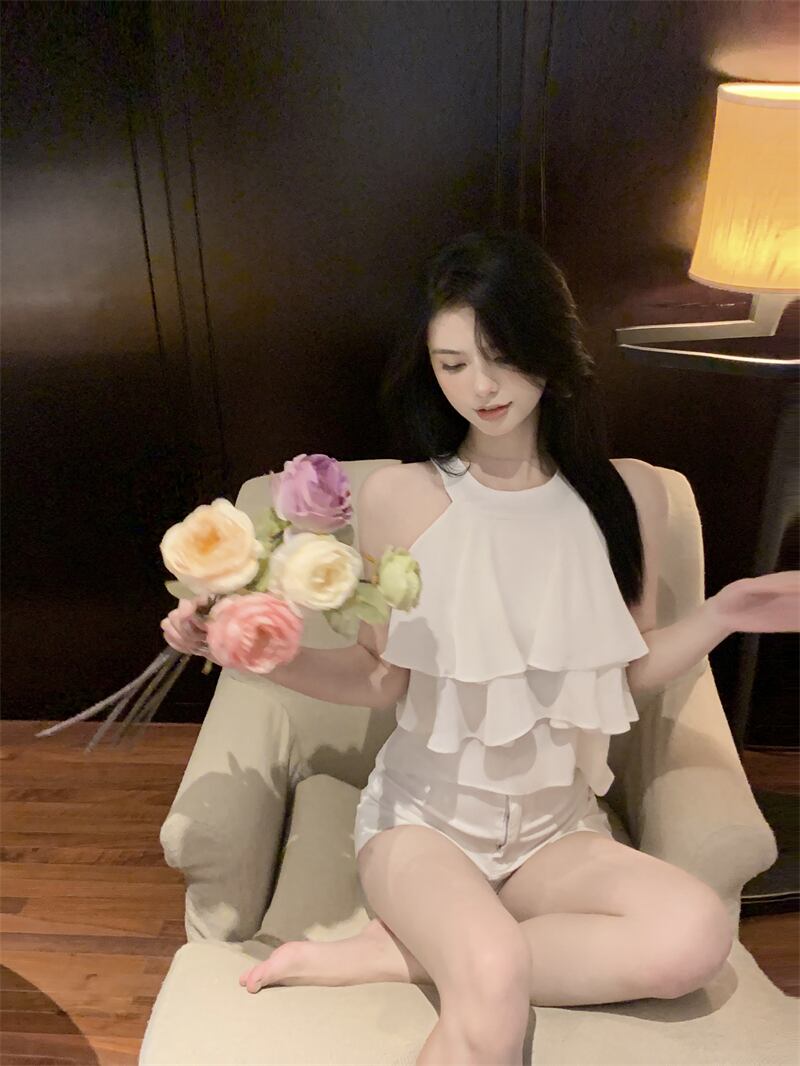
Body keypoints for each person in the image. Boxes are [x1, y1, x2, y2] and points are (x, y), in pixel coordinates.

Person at [238, 230, 799, 1066]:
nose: (482, 386)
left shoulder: (630, 494)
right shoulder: (399, 496)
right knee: (494, 984)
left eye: (501, 356)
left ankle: (408, 955)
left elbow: (626, 673)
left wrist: (724, 612)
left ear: (551, 349)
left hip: (557, 831)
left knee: (695, 937)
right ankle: (468, 954)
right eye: (453, 363)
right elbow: (380, 678)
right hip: (424, 827)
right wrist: (269, 656)